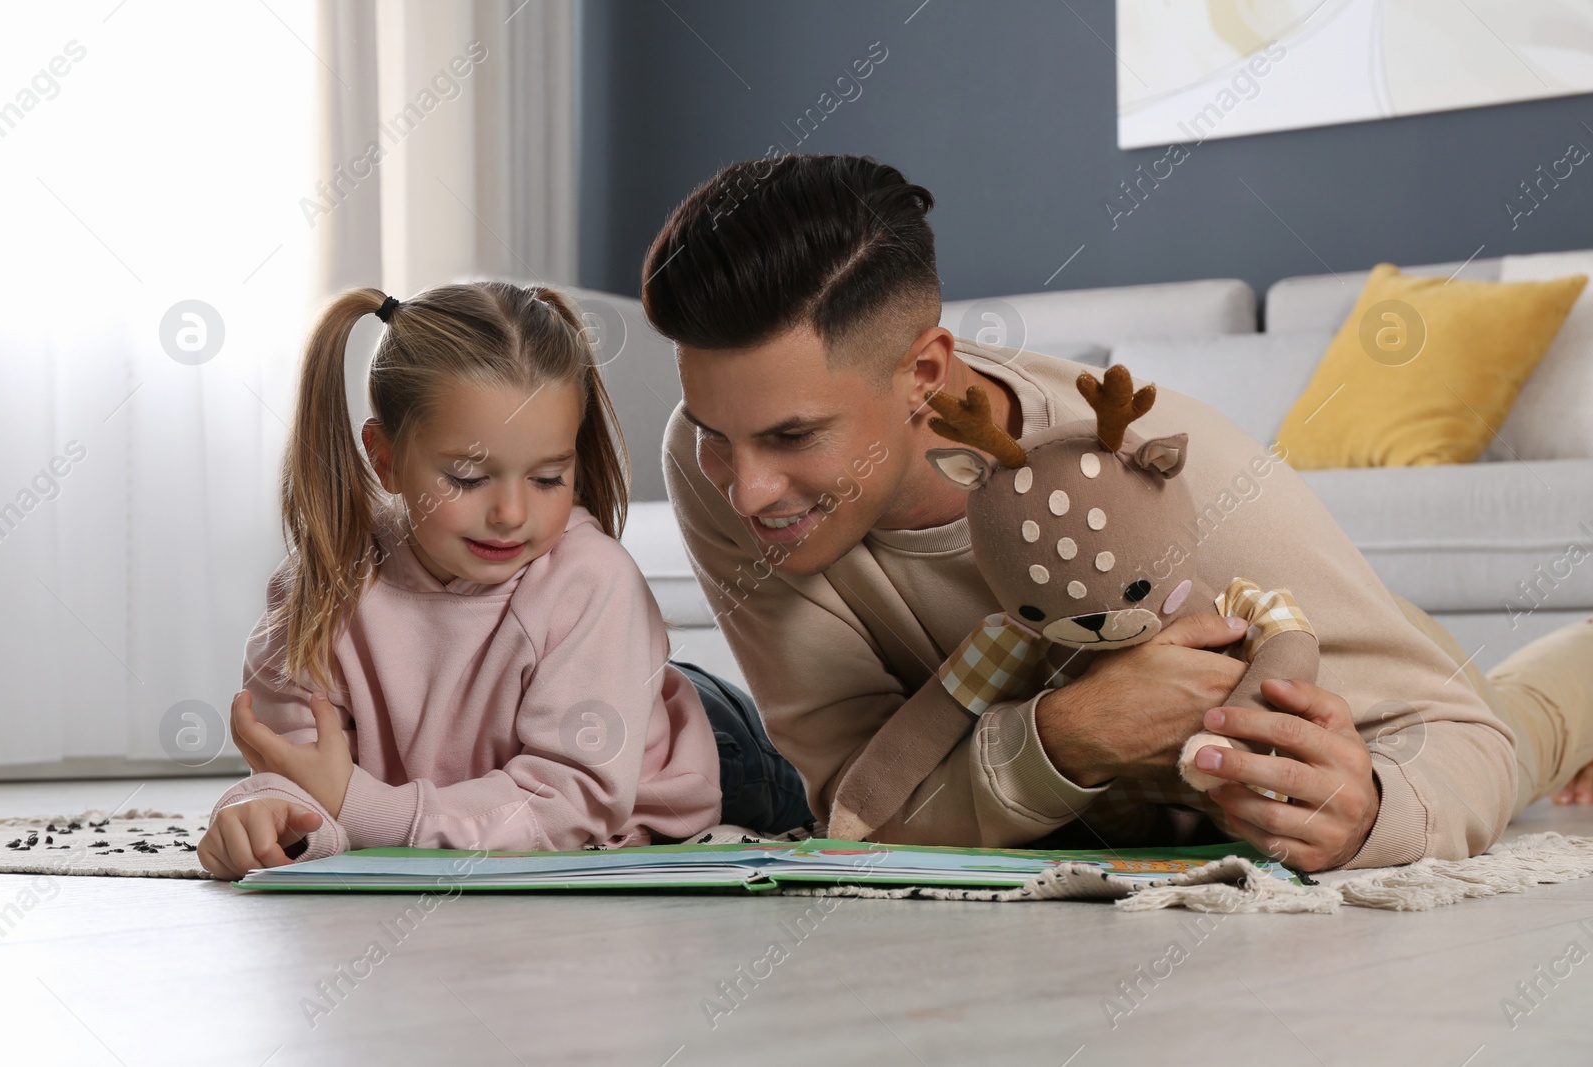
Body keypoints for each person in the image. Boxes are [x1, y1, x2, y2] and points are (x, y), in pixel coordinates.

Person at [642, 152, 1593, 873]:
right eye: (717, 432)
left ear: (925, 373)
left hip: (1325, 644)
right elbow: (859, 814)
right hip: (1115, 789)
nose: (746, 489)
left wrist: (1371, 806)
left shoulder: (1181, 472)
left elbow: (1460, 734)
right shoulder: (711, 456)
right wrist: (1064, 736)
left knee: (1522, 724)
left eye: (794, 437)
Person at [198, 282, 810, 881]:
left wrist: (361, 807)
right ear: (384, 458)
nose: (512, 515)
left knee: (833, 799)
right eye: (467, 478)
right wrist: (266, 821)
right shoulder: (321, 587)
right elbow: (304, 777)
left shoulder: (591, 581)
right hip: (574, 690)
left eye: (547, 479)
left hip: (705, 748)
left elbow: (570, 806)